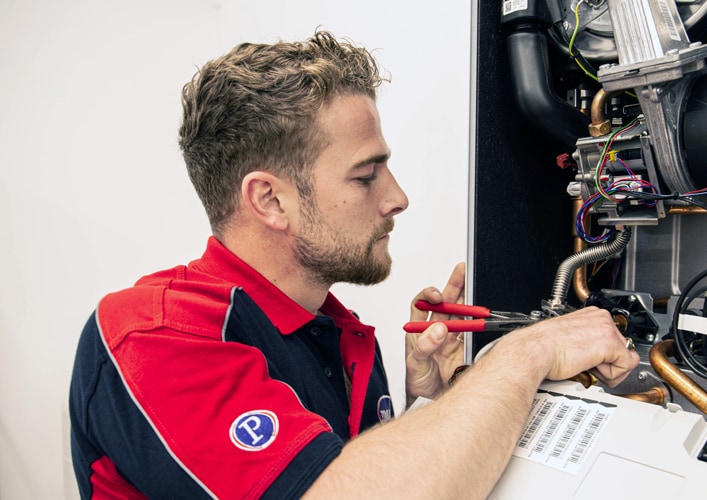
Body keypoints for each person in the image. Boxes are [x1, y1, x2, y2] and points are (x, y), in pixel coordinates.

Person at [68, 29, 640, 499]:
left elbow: (366, 474)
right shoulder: (153, 334)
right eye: (365, 176)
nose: (396, 198)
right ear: (271, 200)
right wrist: (527, 351)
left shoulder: (335, 332)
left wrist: (429, 402)